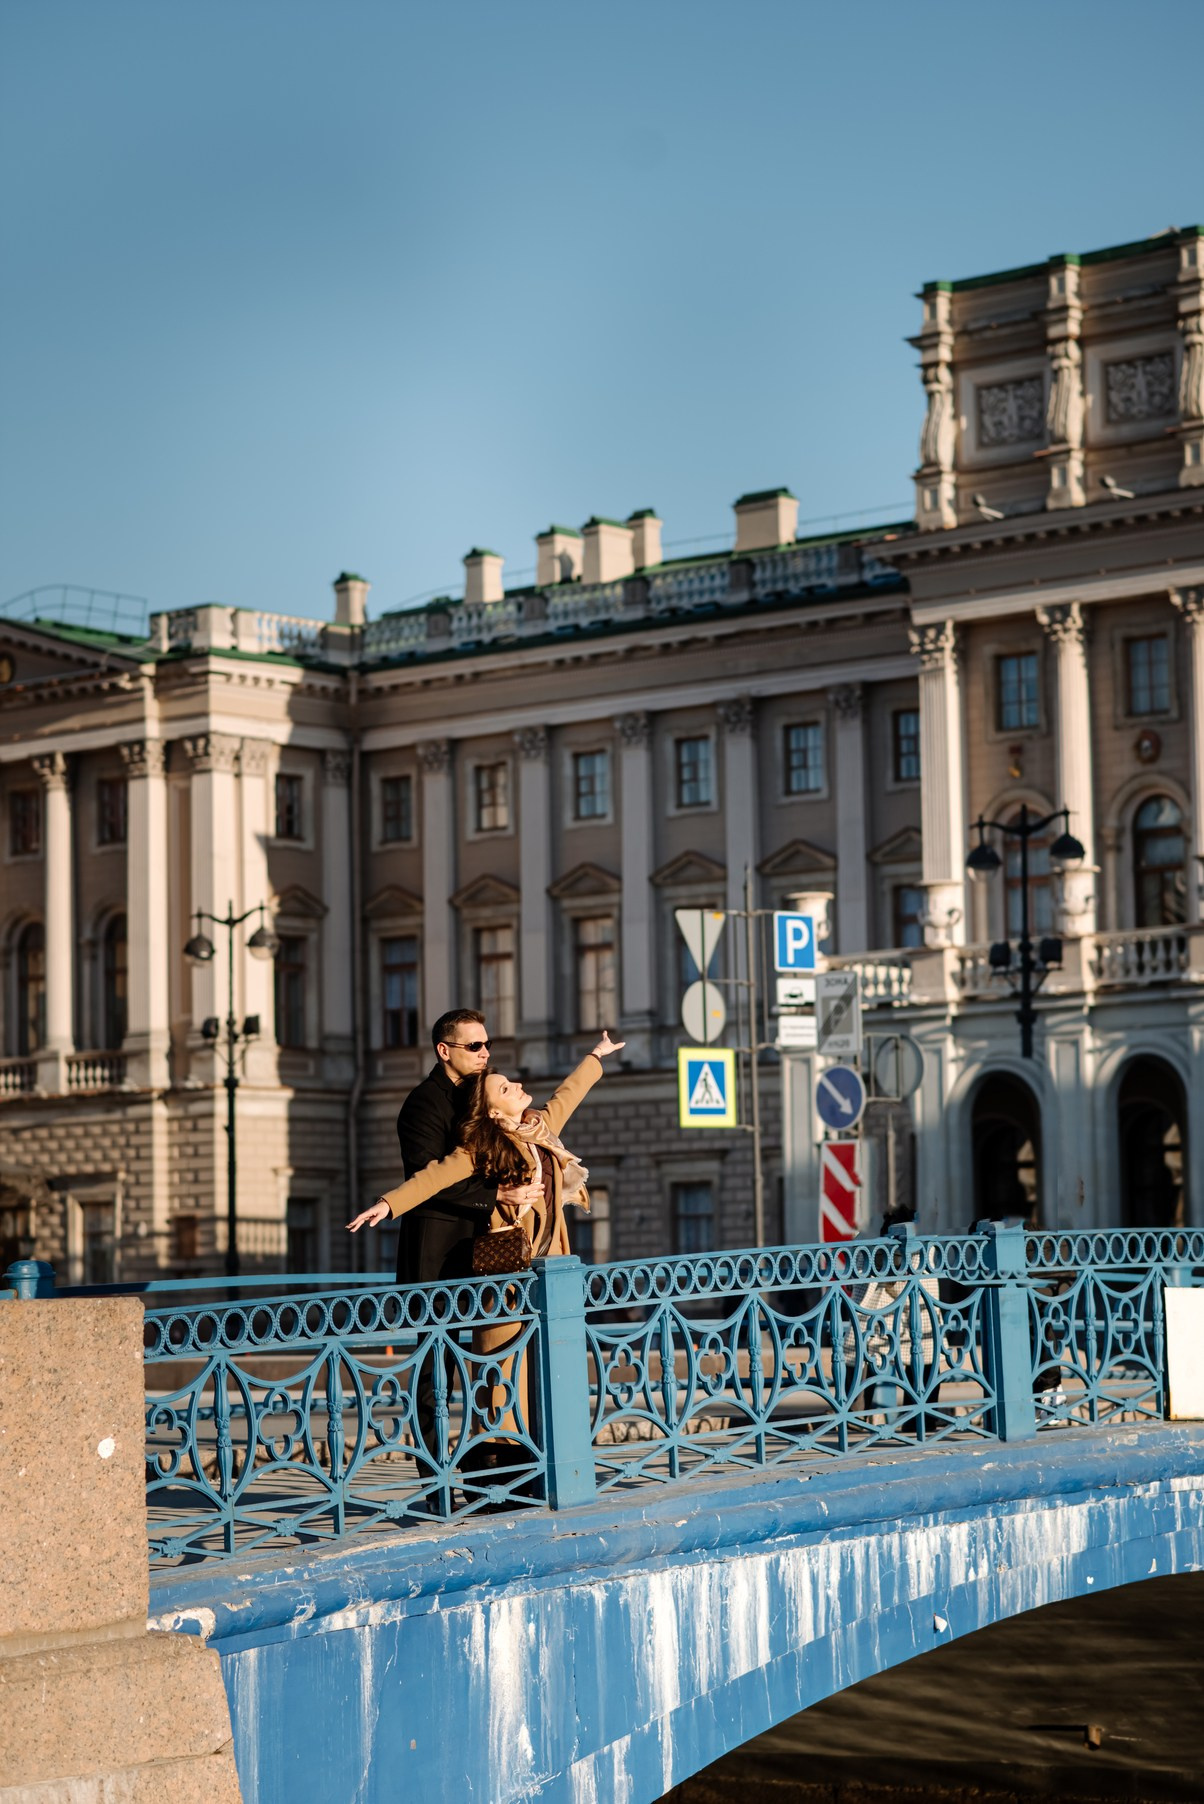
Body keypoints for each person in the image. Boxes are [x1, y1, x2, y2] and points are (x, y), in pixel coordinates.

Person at [348, 1031, 624, 1486]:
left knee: (549, 1367)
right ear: (494, 1111)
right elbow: (432, 1177)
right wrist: (387, 1204)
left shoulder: (540, 1127)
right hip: (508, 1278)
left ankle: (548, 1464)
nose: (515, 1085)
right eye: (504, 1087)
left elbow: (567, 1094)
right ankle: (495, 1471)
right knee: (501, 1374)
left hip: (552, 1271)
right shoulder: (481, 1147)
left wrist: (596, 1056)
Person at [393, 1009, 541, 1289]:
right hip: (440, 1250)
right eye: (474, 1046)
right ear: (444, 1051)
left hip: (483, 1243)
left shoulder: (477, 1093)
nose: (484, 1054)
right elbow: (426, 1178)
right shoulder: (423, 1103)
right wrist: (497, 1193)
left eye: (487, 1045)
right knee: (440, 1331)